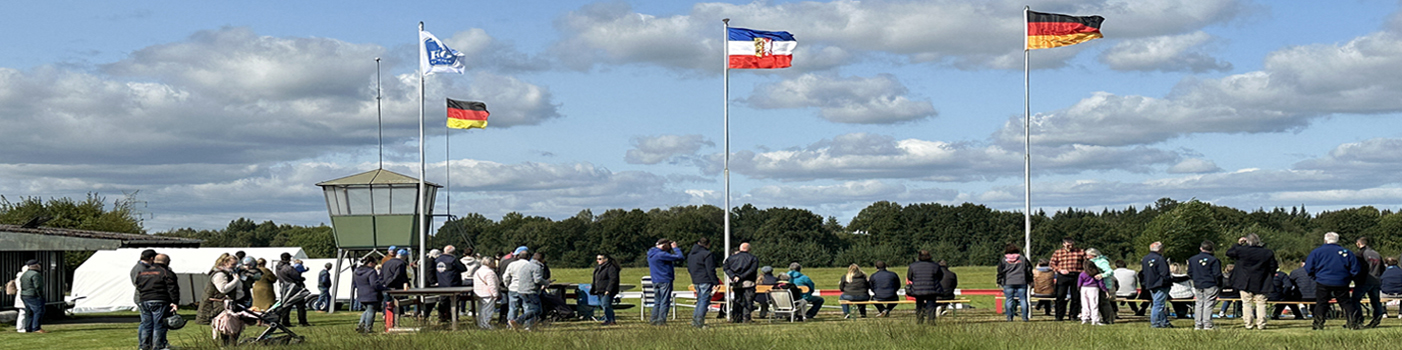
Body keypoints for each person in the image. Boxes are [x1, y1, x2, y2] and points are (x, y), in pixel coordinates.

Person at [1303, 231, 1359, 330]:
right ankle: (1352, 322)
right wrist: (1349, 277)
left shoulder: (1317, 252)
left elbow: (1308, 267)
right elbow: (1355, 268)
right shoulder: (1346, 252)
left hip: (1323, 280)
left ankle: (1318, 323)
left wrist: (1315, 277)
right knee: (1345, 303)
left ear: (1325, 240)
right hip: (1341, 281)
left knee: (1321, 303)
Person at [1227, 233, 1276, 330]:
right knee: (1261, 303)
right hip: (1262, 280)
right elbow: (1273, 267)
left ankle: (1248, 324)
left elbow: (1229, 253)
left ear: (1247, 241)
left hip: (1244, 281)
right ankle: (1261, 324)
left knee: (1246, 303)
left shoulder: (1242, 251)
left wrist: (1238, 244)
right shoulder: (1267, 253)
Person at [135, 254, 178, 350]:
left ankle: (144, 346)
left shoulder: (142, 272)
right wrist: (174, 302)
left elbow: (138, 285)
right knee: (159, 324)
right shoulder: (166, 273)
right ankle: (158, 346)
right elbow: (172, 288)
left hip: (143, 300)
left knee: (146, 324)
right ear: (167, 262)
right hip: (159, 299)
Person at [504, 250, 547, 330]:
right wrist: (546, 282)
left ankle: (511, 325)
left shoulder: (516, 265)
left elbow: (506, 276)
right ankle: (522, 323)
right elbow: (537, 280)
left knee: (513, 308)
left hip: (517, 289)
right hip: (530, 290)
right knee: (534, 309)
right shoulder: (535, 266)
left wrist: (507, 285)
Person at [196, 254, 244, 325]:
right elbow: (223, 289)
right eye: (233, 264)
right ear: (225, 263)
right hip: (215, 306)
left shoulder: (229, 273)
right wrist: (236, 280)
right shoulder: (219, 275)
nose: (235, 267)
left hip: (223, 305)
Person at [645, 239, 684, 325]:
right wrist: (675, 248)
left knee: (657, 301)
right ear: (663, 245)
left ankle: (653, 319)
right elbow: (680, 257)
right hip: (665, 279)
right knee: (664, 301)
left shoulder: (651, 254)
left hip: (655, 280)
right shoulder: (662, 255)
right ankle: (661, 321)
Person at [1187, 241, 1222, 330]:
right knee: (1208, 304)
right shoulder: (1214, 260)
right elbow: (1217, 274)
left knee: (1199, 303)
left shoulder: (1192, 259)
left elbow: (1189, 273)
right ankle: (1207, 324)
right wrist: (1219, 284)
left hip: (1198, 283)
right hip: (1210, 283)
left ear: (1201, 248)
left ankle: (1198, 324)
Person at [1350, 236, 1384, 328]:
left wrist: (1356, 279)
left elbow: (1358, 268)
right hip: (1376, 280)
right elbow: (1382, 268)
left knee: (1355, 300)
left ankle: (1358, 320)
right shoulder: (1376, 254)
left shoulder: (1360, 254)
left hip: (1365, 281)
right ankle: (1377, 318)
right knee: (1375, 301)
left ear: (1358, 243)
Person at [1050, 237, 1086, 321]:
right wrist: (1059, 270)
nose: (1070, 246)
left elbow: (1085, 263)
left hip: (1076, 275)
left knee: (1076, 297)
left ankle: (1073, 315)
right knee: (1060, 296)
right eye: (1068, 244)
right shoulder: (1058, 252)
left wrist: (1082, 272)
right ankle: (1059, 316)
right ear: (1064, 244)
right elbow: (1052, 264)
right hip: (1063, 276)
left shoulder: (1080, 252)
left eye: (1071, 244)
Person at [722, 242, 759, 323]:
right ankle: (746, 318)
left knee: (737, 299)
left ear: (740, 248)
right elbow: (752, 270)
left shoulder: (731, 258)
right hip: (748, 281)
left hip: (736, 282)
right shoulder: (753, 258)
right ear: (749, 249)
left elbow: (725, 267)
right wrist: (741, 276)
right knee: (748, 300)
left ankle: (736, 317)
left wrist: (733, 276)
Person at [686, 237, 719, 328]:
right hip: (705, 279)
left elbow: (689, 268)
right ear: (708, 244)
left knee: (699, 301)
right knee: (704, 301)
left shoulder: (691, 254)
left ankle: (695, 321)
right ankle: (699, 322)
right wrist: (715, 282)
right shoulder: (707, 254)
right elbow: (710, 269)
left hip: (696, 279)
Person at [996, 244, 1033, 322]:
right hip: (1021, 281)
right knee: (1023, 299)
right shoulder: (1022, 259)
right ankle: (1025, 317)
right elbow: (1029, 270)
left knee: (1009, 300)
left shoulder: (1003, 260)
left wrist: (999, 281)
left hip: (1008, 282)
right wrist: (1030, 280)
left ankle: (1009, 317)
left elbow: (1000, 271)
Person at [907, 250, 944, 325]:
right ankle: (931, 321)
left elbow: (909, 277)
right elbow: (940, 276)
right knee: (931, 306)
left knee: (919, 305)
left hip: (918, 290)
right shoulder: (935, 265)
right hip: (932, 289)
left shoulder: (913, 266)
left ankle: (919, 320)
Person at [1141, 242, 1172, 328]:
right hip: (1160, 284)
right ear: (1160, 249)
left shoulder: (1145, 259)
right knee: (1158, 305)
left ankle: (1164, 322)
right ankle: (1155, 323)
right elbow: (1164, 272)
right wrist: (1168, 281)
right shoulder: (1160, 259)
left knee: (1158, 303)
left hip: (1150, 283)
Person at [434, 245, 468, 323]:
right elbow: (463, 268)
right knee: (454, 302)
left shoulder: (437, 260)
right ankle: (453, 317)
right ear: (453, 252)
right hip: (453, 284)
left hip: (441, 284)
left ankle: (441, 317)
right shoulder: (453, 259)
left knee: (443, 301)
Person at [352, 256, 386, 333]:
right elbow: (374, 284)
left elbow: (354, 283)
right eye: (375, 263)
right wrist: (383, 288)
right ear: (370, 263)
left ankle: (361, 325)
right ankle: (368, 328)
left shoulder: (356, 271)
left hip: (361, 294)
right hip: (371, 294)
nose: (375, 265)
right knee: (371, 311)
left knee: (367, 310)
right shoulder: (371, 272)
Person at [276, 253, 310, 327]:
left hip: (283, 287)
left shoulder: (277, 267)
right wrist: (302, 279)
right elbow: (296, 276)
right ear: (288, 259)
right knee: (300, 305)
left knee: (286, 305)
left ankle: (285, 322)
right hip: (293, 288)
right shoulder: (288, 268)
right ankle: (302, 322)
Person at [1085, 248, 1116, 324]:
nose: (1086, 256)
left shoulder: (1102, 262)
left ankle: (1109, 319)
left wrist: (1102, 275)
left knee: (1104, 302)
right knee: (1096, 302)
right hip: (1095, 284)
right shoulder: (1091, 262)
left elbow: (1110, 271)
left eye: (1087, 255)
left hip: (1104, 284)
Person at [590, 254, 621, 326]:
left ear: (605, 259)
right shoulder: (598, 267)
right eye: (597, 259)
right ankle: (607, 320)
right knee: (603, 305)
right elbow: (596, 279)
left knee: (606, 304)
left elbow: (613, 279)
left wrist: (608, 290)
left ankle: (611, 320)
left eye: (600, 259)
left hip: (607, 290)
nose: (598, 260)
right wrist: (593, 288)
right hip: (599, 290)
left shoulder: (611, 267)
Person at [472, 258, 501, 330]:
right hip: (487, 293)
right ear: (489, 263)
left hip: (478, 292)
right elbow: (492, 284)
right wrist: (495, 294)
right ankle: (486, 324)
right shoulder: (489, 272)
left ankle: (481, 323)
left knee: (481, 309)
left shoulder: (477, 271)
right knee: (488, 310)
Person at [18, 260, 45, 334]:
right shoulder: (35, 274)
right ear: (36, 265)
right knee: (38, 311)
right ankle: (36, 328)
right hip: (33, 295)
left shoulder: (25, 274)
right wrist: (41, 295)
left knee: (29, 312)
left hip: (24, 294)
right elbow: (38, 286)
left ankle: (28, 327)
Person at [1078, 260, 1107, 325]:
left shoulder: (1083, 274)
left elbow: (1079, 283)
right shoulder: (1096, 273)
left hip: (1084, 288)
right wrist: (1105, 290)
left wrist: (1079, 288)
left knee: (1085, 304)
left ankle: (1085, 318)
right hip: (1094, 288)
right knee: (1094, 304)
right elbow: (1101, 283)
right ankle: (1095, 319)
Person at [13, 264, 29, 333]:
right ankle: (20, 327)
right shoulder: (23, 277)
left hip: (21, 295)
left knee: (23, 311)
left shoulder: (19, 276)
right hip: (23, 295)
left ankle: (22, 326)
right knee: (23, 312)